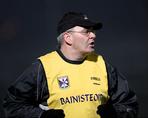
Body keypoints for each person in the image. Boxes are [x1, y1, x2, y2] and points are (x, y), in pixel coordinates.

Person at [3, 11, 138, 118]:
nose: (93, 35)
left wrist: (115, 113)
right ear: (68, 38)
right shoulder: (43, 67)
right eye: (86, 31)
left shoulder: (103, 65)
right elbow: (12, 105)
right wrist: (41, 115)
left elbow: (129, 104)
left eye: (93, 31)